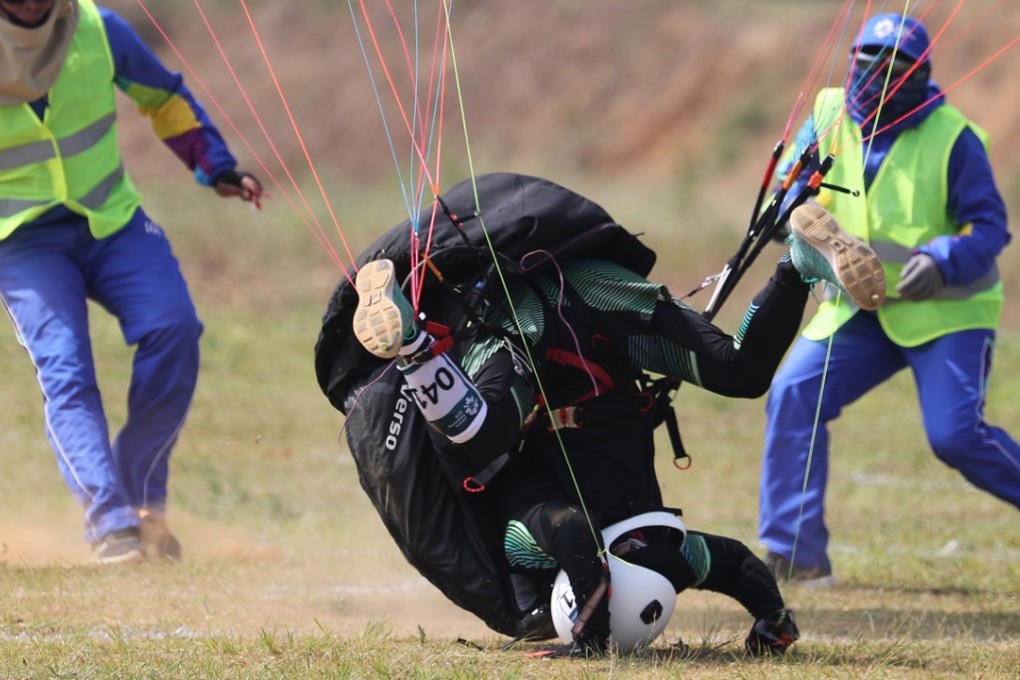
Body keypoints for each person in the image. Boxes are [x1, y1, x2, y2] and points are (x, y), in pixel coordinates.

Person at [350, 193, 886, 654]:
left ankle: (793, 270)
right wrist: (591, 642)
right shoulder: (549, 547)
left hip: (535, 317)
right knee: (480, 429)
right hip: (583, 295)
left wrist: (774, 625)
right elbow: (723, 561)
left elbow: (731, 562)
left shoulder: (651, 557)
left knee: (738, 368)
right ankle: (795, 267)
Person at [758, 13, 1018, 586]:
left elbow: (990, 228)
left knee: (955, 437)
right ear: (851, 63)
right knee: (794, 394)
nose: (880, 78)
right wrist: (799, 227)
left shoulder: (955, 137)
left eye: (898, 69)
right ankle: (794, 551)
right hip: (858, 308)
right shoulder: (828, 115)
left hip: (946, 311)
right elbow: (788, 200)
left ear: (923, 75)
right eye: (868, 64)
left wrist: (944, 259)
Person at [0, 0, 263, 564]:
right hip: (22, 239)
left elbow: (162, 97)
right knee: (66, 369)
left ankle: (141, 497)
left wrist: (215, 166)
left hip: (111, 222)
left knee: (176, 328)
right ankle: (110, 521)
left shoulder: (98, 29)